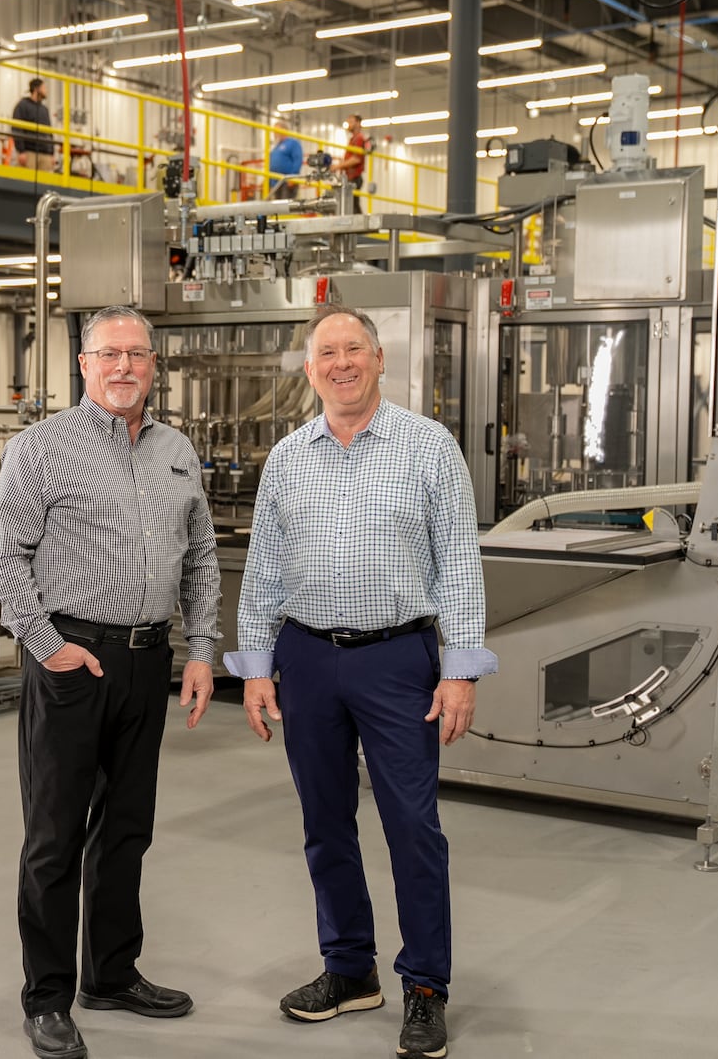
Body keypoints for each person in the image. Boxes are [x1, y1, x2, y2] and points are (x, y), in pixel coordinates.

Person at [224, 303, 496, 1059]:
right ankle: (349, 970)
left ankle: (425, 987)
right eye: (326, 354)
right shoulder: (288, 456)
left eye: (354, 350)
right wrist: (254, 669)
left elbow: (460, 566)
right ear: (310, 371)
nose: (340, 363)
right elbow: (264, 573)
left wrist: (461, 669)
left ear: (379, 361)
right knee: (325, 822)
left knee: (413, 826)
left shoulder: (429, 448)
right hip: (307, 658)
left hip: (397, 660)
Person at [0, 305, 220, 1059]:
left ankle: (111, 974)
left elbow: (202, 559)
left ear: (155, 366)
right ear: (82, 364)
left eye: (137, 355)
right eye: (109, 354)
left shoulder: (177, 450)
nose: (124, 367)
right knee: (55, 836)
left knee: (127, 829)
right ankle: (47, 997)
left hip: (149, 661)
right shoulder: (41, 448)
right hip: (73, 661)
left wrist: (203, 650)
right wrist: (48, 646)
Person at [12, 77, 57, 170]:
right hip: (29, 153)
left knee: (46, 183)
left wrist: (52, 153)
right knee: (26, 182)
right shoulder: (23, 105)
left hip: (45, 155)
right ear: (37, 89)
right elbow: (17, 128)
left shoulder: (44, 110)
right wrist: (21, 151)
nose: (46, 91)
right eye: (44, 88)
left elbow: (49, 132)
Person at [330, 114, 372, 212]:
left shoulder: (359, 139)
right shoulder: (353, 139)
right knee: (351, 205)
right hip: (350, 177)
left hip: (354, 178)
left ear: (358, 123)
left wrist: (337, 166)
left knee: (352, 205)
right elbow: (351, 158)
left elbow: (356, 159)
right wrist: (340, 161)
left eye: (351, 122)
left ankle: (360, 226)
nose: (348, 124)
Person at [268, 125, 303, 199]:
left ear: (284, 130)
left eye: (277, 130)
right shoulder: (276, 147)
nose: (275, 133)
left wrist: (293, 177)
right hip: (276, 181)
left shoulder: (293, 143)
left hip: (287, 181)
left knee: (285, 205)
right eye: (274, 131)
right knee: (277, 206)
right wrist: (269, 182)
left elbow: (297, 160)